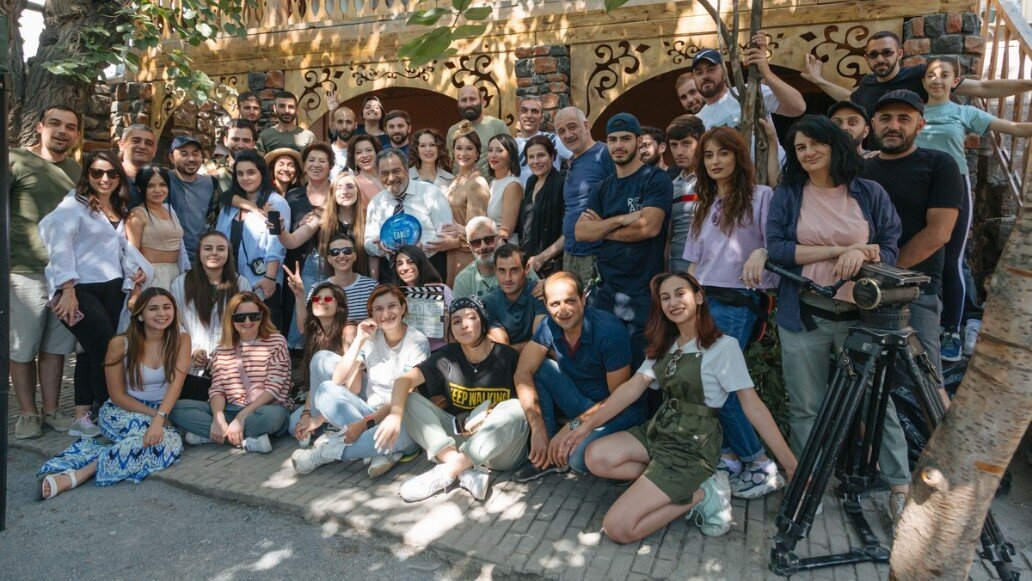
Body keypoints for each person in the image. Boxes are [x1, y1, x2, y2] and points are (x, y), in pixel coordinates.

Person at [579, 271, 796, 542]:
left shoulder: (723, 347)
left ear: (699, 297)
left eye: (680, 294)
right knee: (595, 456)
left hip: (692, 445)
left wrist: (790, 464)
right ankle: (673, 483)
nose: (673, 302)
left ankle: (701, 494)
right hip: (661, 430)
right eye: (665, 298)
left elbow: (753, 406)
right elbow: (632, 387)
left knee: (617, 528)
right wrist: (585, 426)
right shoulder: (666, 343)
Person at [768, 114, 910, 523]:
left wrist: (864, 252)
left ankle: (900, 487)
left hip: (861, 316)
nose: (808, 152)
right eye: (800, 147)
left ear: (835, 145)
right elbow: (778, 248)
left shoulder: (868, 192)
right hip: (805, 312)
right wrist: (838, 251)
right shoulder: (789, 194)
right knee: (806, 406)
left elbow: (890, 246)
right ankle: (808, 483)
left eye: (816, 144)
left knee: (875, 403)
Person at [682, 126, 783, 498]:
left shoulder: (761, 196)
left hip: (738, 301)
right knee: (703, 382)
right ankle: (729, 455)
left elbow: (778, 245)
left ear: (739, 156)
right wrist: (682, 306)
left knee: (719, 384)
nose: (715, 161)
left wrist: (762, 252)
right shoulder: (705, 204)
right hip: (703, 301)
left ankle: (759, 464)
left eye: (723, 153)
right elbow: (695, 264)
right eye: (708, 155)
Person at [917, 56, 1032, 360]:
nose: (937, 79)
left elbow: (1015, 128)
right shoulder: (913, 112)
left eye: (944, 75)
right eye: (931, 74)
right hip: (915, 190)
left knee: (951, 261)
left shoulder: (964, 112)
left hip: (953, 190)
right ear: (924, 80)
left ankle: (951, 331)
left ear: (956, 82)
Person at [861, 90, 963, 411]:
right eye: (885, 118)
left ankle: (945, 444)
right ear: (873, 124)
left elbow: (939, 232)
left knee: (927, 383)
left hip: (915, 292)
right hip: (862, 291)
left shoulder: (939, 164)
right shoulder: (861, 168)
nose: (893, 125)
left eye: (903, 119)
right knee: (864, 385)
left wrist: (888, 273)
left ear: (920, 124)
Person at [36, 288, 189, 500]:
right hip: (123, 410)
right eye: (153, 308)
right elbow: (117, 396)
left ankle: (84, 469)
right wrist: (157, 418)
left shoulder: (181, 339)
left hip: (160, 410)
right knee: (155, 442)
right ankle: (77, 476)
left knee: (169, 444)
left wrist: (160, 416)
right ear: (140, 315)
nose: (162, 313)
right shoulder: (120, 343)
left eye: (167, 307)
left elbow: (176, 385)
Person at [374, 297, 528, 501]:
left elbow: (529, 402)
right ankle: (464, 470)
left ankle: (447, 472)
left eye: (471, 317)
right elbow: (403, 381)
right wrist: (395, 415)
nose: (464, 325)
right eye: (456, 321)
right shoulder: (446, 356)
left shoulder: (508, 357)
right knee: (409, 400)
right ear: (451, 329)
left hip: (501, 450)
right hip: (461, 438)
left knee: (515, 408)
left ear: (483, 322)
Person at [39, 150, 138, 438]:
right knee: (106, 348)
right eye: (97, 172)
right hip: (81, 288)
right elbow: (57, 242)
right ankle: (108, 412)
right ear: (87, 175)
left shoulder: (117, 206)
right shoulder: (74, 205)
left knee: (90, 349)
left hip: (113, 286)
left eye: (111, 173)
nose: (105, 178)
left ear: (119, 177)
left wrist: (135, 273)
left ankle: (82, 416)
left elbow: (119, 249)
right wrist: (67, 289)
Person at [511, 272, 648, 480]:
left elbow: (618, 398)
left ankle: (650, 470)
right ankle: (547, 454)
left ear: (583, 298)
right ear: (546, 305)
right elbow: (522, 372)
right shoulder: (549, 325)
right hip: (581, 401)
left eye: (570, 301)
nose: (563, 310)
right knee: (538, 368)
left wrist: (573, 425)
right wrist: (538, 429)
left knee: (576, 458)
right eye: (555, 304)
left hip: (620, 409)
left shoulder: (608, 330)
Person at [290, 286, 428, 477]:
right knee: (325, 389)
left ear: (403, 308)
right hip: (369, 412)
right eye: (378, 309)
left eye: (392, 306)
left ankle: (324, 453)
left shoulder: (417, 342)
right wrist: (359, 340)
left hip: (400, 418)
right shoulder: (371, 336)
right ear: (371, 314)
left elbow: (406, 393)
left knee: (385, 435)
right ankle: (379, 451)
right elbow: (339, 379)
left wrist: (364, 424)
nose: (386, 314)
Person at [575, 113, 672, 368]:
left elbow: (649, 227)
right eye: (613, 139)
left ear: (638, 141)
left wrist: (601, 228)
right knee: (606, 364)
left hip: (641, 293)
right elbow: (581, 232)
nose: (618, 145)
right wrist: (621, 220)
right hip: (605, 291)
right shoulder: (602, 187)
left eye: (625, 139)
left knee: (639, 367)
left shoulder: (655, 179)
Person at [10, 105, 82, 439]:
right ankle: (27, 414)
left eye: (70, 126)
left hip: (66, 276)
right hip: (24, 271)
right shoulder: (15, 161)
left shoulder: (77, 171)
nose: (62, 131)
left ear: (76, 134)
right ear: (40, 127)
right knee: (23, 347)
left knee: (56, 347)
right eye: (55, 124)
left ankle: (51, 410)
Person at [169, 292, 292, 453]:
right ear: (231, 319)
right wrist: (218, 418)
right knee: (175, 408)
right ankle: (245, 439)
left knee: (274, 418)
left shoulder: (276, 341)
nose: (247, 322)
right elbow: (217, 389)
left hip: (265, 408)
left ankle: (212, 435)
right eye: (240, 317)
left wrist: (240, 418)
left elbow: (274, 389)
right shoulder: (222, 349)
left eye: (254, 316)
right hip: (231, 408)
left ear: (262, 316)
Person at [803, 30, 1032, 115]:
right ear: (867, 58)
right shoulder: (868, 83)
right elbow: (850, 98)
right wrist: (818, 80)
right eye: (873, 54)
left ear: (899, 54)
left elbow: (981, 87)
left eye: (887, 52)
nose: (880, 59)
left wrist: (1028, 84)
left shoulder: (921, 76)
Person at [692, 38, 806, 163]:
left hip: (777, 172)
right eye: (699, 72)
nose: (705, 76)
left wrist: (766, 73)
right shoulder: (696, 122)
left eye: (711, 69)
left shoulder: (749, 92)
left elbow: (798, 107)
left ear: (724, 70)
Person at [170, 231, 251, 401]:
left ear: (228, 253)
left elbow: (248, 325)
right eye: (208, 248)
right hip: (190, 368)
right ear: (199, 252)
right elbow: (175, 324)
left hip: (230, 368)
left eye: (220, 249)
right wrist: (192, 350)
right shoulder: (180, 283)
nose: (214, 253)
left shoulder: (241, 284)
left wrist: (226, 352)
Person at [214, 150, 290, 328]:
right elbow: (217, 241)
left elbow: (277, 244)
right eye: (240, 173)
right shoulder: (229, 208)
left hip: (261, 285)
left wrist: (270, 278)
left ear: (262, 174)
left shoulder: (275, 203)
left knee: (264, 334)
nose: (245, 178)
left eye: (251, 172)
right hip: (230, 284)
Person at [364, 149, 457, 278]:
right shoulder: (376, 203)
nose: (391, 178)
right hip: (391, 274)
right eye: (385, 173)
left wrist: (422, 246)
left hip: (429, 269)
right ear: (378, 175)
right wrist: (379, 246)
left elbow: (448, 234)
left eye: (396, 171)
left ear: (406, 170)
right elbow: (368, 244)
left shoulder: (431, 193)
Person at [285, 281, 358, 444]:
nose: (321, 302)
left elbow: (353, 387)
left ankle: (330, 426)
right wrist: (306, 413)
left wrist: (319, 418)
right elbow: (315, 383)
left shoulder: (349, 331)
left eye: (328, 299)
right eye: (317, 299)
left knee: (323, 359)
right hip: (325, 398)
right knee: (294, 425)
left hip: (352, 398)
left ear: (339, 306)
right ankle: (328, 428)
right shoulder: (317, 334)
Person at [554, 106, 614, 287]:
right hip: (570, 254)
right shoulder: (572, 161)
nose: (568, 135)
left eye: (572, 127)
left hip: (595, 254)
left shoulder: (605, 154)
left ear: (586, 125)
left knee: (595, 303)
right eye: (561, 131)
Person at [281, 143, 335, 348]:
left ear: (330, 166)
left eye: (322, 161)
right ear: (304, 166)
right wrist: (298, 225)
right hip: (297, 265)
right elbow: (287, 231)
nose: (316, 165)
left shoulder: (338, 192)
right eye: (311, 160)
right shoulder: (293, 196)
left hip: (331, 263)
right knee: (297, 320)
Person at [125, 165, 187, 293]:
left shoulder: (170, 210)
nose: (158, 190)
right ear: (139, 188)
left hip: (176, 275)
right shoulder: (137, 214)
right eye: (150, 186)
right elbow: (131, 253)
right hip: (150, 277)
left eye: (163, 185)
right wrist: (134, 289)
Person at [441, 123, 490, 284]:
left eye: (469, 148)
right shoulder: (457, 179)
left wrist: (461, 234)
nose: (463, 153)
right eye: (459, 148)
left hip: (466, 254)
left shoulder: (477, 182)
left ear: (477, 153)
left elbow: (477, 232)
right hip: (451, 251)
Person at [452, 217, 539, 299]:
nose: (483, 246)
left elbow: (540, 297)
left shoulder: (519, 265)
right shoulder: (463, 281)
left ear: (499, 239)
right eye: (476, 242)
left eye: (489, 240)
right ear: (469, 246)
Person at [167, 135, 222, 262]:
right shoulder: (163, 181)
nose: (191, 158)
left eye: (195, 153)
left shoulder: (210, 183)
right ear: (171, 158)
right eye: (184, 154)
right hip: (170, 258)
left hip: (200, 259)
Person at [482, 245, 547, 352]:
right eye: (502, 270)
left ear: (527, 269)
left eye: (514, 270)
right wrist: (524, 346)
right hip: (507, 360)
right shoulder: (489, 303)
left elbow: (540, 342)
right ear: (495, 270)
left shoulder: (539, 291)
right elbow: (503, 350)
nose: (508, 278)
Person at [392, 244, 454, 352]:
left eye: (411, 262)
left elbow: (453, 331)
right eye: (400, 263)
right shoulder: (394, 294)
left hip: (440, 349)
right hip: (409, 351)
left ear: (420, 263)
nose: (405, 268)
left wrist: (442, 309)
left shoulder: (442, 290)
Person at [521, 134, 566, 277]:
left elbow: (569, 232)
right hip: (529, 263)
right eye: (531, 157)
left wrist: (543, 257)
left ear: (552, 156)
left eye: (541, 155)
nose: (536, 161)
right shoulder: (531, 182)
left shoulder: (561, 184)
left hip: (553, 266)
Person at [665, 114, 705, 272]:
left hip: (711, 273)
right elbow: (668, 238)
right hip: (678, 272)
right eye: (674, 145)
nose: (679, 151)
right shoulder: (671, 186)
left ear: (700, 143)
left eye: (686, 143)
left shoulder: (716, 181)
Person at [446, 85, 509, 176]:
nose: (468, 104)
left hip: (490, 184)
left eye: (472, 99)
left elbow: (510, 159)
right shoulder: (453, 130)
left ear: (482, 102)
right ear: (458, 104)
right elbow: (449, 163)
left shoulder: (497, 126)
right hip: (458, 183)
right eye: (463, 100)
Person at [514, 96, 572, 188]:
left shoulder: (553, 140)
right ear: (518, 115)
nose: (529, 115)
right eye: (524, 111)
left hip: (549, 194)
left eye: (534, 111)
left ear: (541, 118)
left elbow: (577, 158)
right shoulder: (511, 145)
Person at [486, 133, 525, 243]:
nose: (493, 155)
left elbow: (506, 232)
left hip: (505, 248)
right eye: (490, 150)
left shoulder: (512, 185)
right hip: (489, 245)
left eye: (499, 150)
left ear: (511, 155)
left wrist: (471, 233)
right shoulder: (493, 182)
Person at [212, 119, 258, 194]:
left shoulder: (261, 171)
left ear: (253, 144)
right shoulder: (209, 170)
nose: (240, 146)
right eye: (235, 139)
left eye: (246, 141)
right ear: (225, 141)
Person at [118, 124, 158, 205]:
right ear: (121, 145)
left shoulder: (160, 182)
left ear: (155, 150)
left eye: (148, 143)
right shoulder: (111, 177)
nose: (142, 146)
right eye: (136, 141)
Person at [324, 90, 357, 179]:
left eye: (348, 122)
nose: (344, 127)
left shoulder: (361, 152)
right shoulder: (326, 153)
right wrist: (332, 111)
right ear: (334, 125)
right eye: (340, 122)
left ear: (355, 125)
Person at [348, 134, 384, 206]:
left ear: (377, 153)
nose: (364, 155)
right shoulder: (355, 185)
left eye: (368, 150)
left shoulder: (389, 176)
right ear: (354, 159)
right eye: (358, 152)